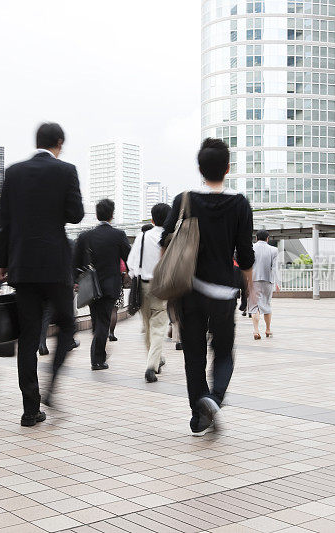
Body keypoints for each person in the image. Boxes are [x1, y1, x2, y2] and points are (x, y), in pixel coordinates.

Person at [161, 138, 255, 437]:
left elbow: (165, 243)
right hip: (224, 292)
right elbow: (246, 254)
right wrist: (250, 289)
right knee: (224, 352)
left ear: (200, 168)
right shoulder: (240, 203)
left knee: (194, 354)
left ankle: (198, 417)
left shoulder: (184, 199)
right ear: (228, 168)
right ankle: (213, 399)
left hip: (190, 291)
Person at [0, 123, 84, 426]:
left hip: (22, 265)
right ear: (58, 142)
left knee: (28, 337)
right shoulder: (66, 170)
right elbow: (75, 214)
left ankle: (30, 409)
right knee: (68, 325)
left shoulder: (14, 172)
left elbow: (3, 221)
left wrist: (1, 262)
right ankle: (52, 385)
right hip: (55, 265)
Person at [73, 199, 131, 371]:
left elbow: (75, 262)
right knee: (103, 322)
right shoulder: (118, 235)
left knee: (96, 320)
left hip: (90, 286)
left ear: (97, 215)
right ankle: (97, 359)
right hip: (110, 286)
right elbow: (129, 258)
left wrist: (76, 281)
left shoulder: (85, 236)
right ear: (112, 215)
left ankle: (98, 354)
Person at [128, 203, 172, 383]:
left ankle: (152, 361)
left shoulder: (142, 236)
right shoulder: (169, 238)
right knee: (158, 327)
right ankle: (151, 366)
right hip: (161, 286)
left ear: (152, 219)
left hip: (142, 286)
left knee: (147, 326)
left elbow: (132, 263)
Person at [250, 230, 280, 339]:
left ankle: (256, 331)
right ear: (268, 238)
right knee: (267, 304)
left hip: (253, 280)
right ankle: (267, 329)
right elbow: (275, 268)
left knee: (254, 306)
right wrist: (277, 283)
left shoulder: (251, 248)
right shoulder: (274, 250)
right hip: (268, 280)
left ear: (256, 238)